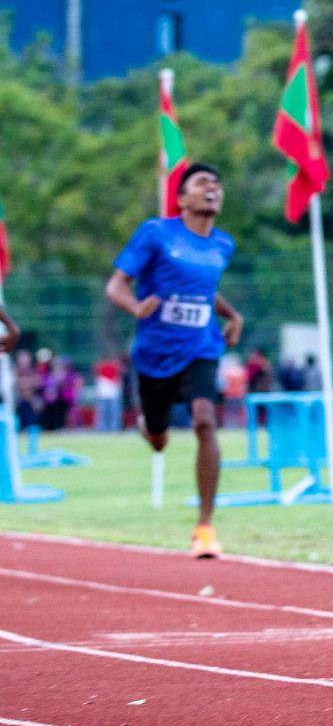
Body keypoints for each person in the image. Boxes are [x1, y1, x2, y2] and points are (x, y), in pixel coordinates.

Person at [105, 162, 243, 559]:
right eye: (202, 183)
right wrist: (136, 307)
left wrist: (231, 316)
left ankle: (205, 527)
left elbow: (204, 289)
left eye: (217, 183)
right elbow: (115, 286)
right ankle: (150, 427)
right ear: (182, 199)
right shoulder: (157, 233)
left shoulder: (222, 244)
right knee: (160, 439)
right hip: (154, 354)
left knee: (204, 421)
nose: (212, 188)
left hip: (201, 347)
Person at [93, 354, 125, 431]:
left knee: (113, 412)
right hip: (104, 391)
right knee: (103, 412)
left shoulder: (115, 366)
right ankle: (102, 428)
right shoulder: (101, 366)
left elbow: (119, 375)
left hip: (112, 391)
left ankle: (114, 428)